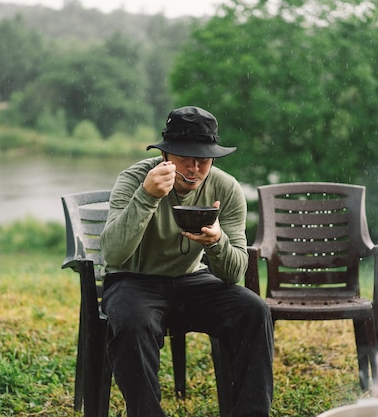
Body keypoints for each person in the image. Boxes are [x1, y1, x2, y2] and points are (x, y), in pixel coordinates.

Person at [100, 105, 274, 417]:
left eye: (203, 159)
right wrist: (147, 196)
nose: (194, 168)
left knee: (254, 310)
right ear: (165, 156)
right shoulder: (135, 179)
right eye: (184, 158)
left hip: (192, 278)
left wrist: (217, 242)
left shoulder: (225, 188)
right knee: (132, 323)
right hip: (133, 278)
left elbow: (235, 273)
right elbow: (113, 253)